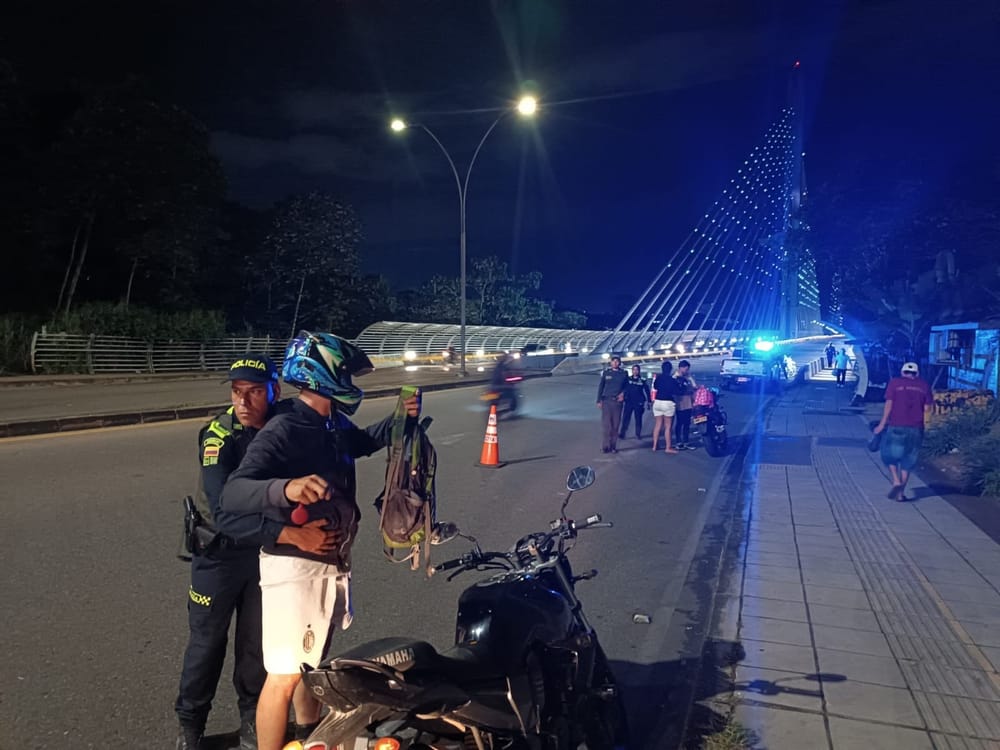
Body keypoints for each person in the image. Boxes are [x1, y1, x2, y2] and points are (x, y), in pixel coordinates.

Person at [219, 332, 421, 750]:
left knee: (306, 667)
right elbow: (233, 493)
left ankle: (307, 735)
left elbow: (362, 442)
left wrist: (403, 418)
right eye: (343, 370)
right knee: (283, 674)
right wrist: (287, 488)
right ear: (323, 372)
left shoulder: (329, 420)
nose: (348, 378)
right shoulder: (287, 425)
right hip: (294, 568)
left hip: (329, 563)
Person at [175, 354, 285, 750]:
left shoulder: (282, 424)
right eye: (237, 392)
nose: (244, 402)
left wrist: (400, 420)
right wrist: (287, 530)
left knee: (256, 645)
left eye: (255, 392)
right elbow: (223, 511)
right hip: (219, 554)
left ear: (275, 391)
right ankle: (191, 726)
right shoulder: (217, 436)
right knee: (206, 645)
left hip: (262, 554)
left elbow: (338, 428)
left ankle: (253, 719)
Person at [873, 361, 933, 501]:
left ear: (902, 372)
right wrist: (926, 426)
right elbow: (927, 409)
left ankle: (895, 480)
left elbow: (889, 404)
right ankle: (900, 495)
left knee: (889, 456)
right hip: (916, 428)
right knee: (908, 460)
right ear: (917, 373)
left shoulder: (895, 383)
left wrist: (882, 424)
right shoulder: (924, 386)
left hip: (896, 425)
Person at [596, 355, 628, 453]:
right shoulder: (606, 373)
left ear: (620, 363)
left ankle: (613, 446)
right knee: (606, 426)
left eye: (617, 361)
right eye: (613, 361)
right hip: (606, 402)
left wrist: (623, 394)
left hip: (617, 402)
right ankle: (605, 446)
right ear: (611, 363)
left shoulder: (623, 373)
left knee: (615, 425)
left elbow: (627, 386)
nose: (615, 363)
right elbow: (601, 386)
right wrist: (598, 400)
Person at [651, 360, 680, 454]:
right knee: (668, 426)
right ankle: (668, 447)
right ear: (670, 369)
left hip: (658, 402)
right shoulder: (672, 380)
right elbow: (677, 391)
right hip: (668, 403)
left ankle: (655, 445)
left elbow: (655, 387)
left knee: (658, 425)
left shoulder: (658, 378)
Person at [619, 364, 651, 440]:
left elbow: (647, 391)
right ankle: (622, 433)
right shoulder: (628, 379)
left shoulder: (642, 380)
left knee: (638, 419)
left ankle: (638, 434)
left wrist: (649, 401)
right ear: (632, 371)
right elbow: (623, 388)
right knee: (626, 418)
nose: (635, 371)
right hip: (629, 401)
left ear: (639, 371)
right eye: (634, 370)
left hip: (639, 402)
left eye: (637, 370)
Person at [673, 359, 697, 450]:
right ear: (680, 368)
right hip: (680, 403)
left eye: (688, 369)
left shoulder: (688, 377)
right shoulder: (675, 378)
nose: (687, 371)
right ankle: (678, 442)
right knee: (680, 423)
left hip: (688, 403)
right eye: (686, 369)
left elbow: (695, 387)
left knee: (687, 423)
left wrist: (690, 378)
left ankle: (686, 441)